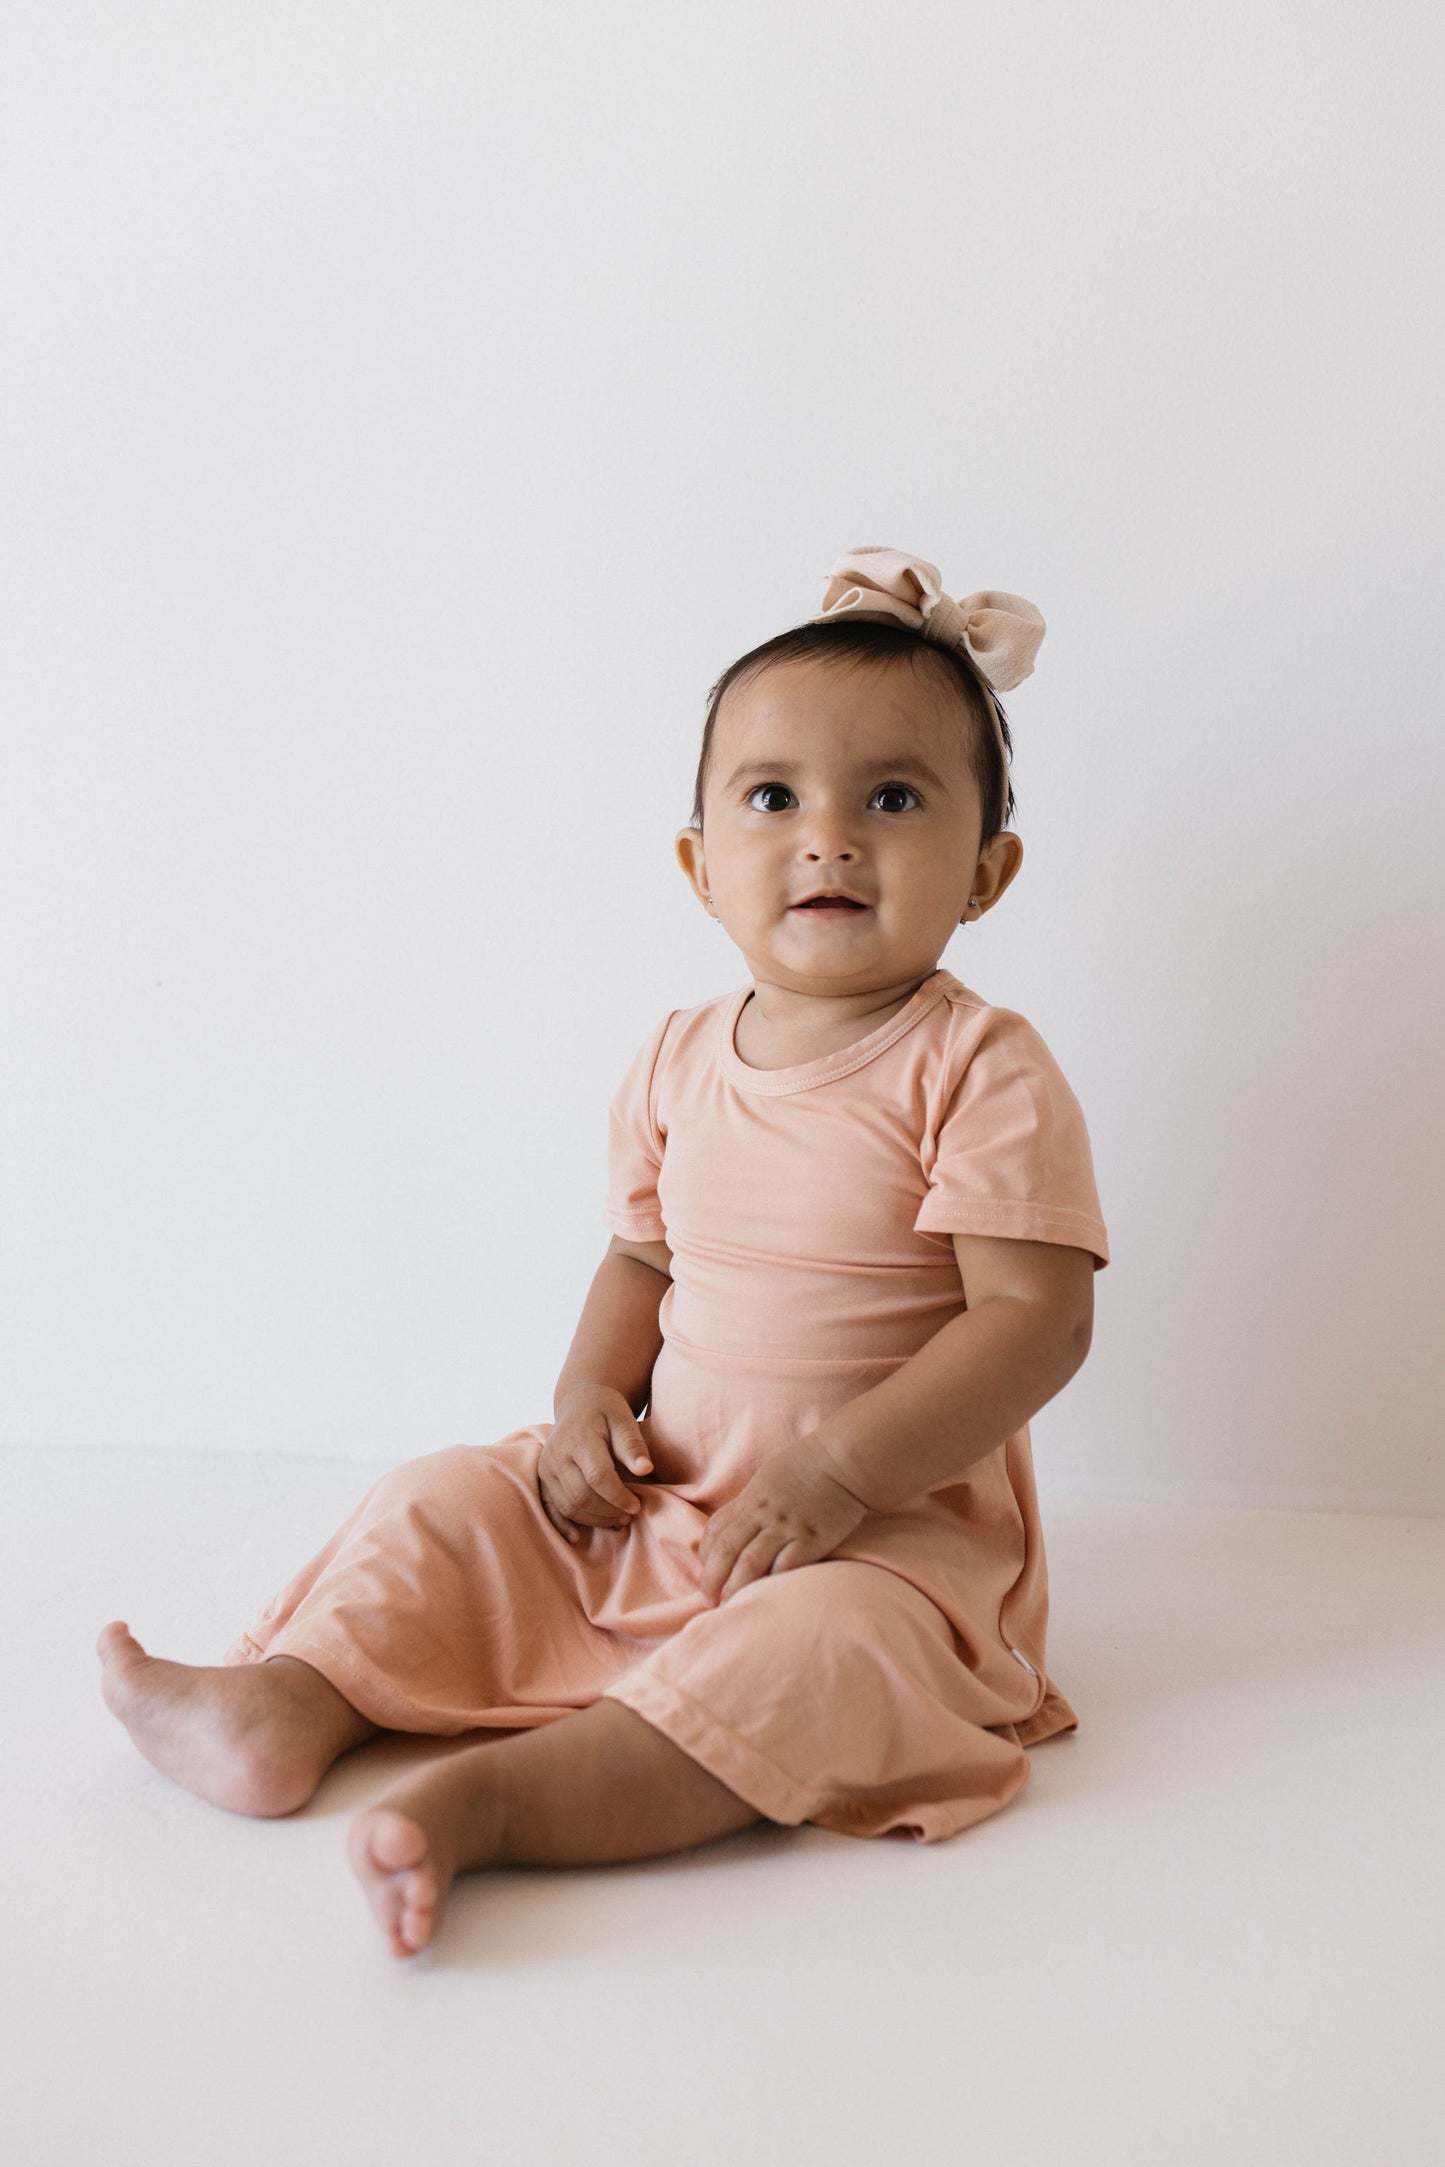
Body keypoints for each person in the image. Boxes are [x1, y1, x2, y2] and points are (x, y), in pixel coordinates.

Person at [97, 543, 1111, 1961]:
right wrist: (587, 1406)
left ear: (987, 870)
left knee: (820, 1659)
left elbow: (1032, 1321)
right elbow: (641, 1266)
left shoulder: (976, 1064)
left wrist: (838, 1473)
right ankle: (292, 1703)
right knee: (448, 1496)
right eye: (772, 798)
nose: (827, 836)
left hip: (883, 1545)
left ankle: (502, 1804)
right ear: (701, 865)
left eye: (892, 797)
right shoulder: (675, 1058)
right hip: (671, 1501)